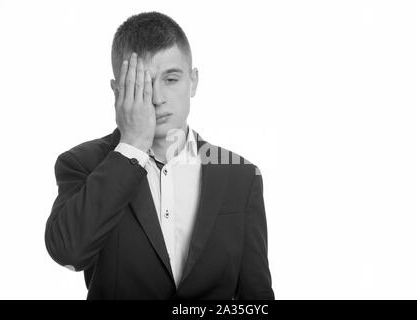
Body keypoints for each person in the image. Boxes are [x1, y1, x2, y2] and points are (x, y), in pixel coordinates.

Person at [44, 11, 274, 300]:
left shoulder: (241, 176)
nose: (157, 98)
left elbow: (257, 298)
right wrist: (132, 145)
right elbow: (68, 252)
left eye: (172, 79)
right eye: (142, 83)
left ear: (194, 82)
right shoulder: (82, 164)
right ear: (117, 91)